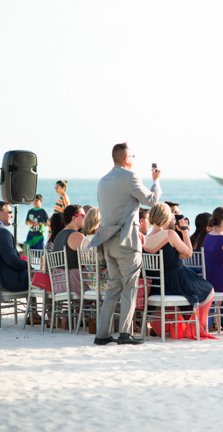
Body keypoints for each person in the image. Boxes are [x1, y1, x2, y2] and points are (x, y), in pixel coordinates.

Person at [88, 142, 162, 346]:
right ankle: (124, 333)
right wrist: (156, 181)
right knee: (130, 288)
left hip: (107, 241)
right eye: (132, 156)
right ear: (126, 158)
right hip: (127, 241)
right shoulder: (131, 177)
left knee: (114, 288)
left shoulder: (102, 181)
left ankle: (102, 334)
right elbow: (151, 200)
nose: (134, 159)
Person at [143, 203, 216, 340]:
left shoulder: (144, 239)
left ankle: (176, 328)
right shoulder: (170, 234)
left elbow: (170, 255)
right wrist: (184, 232)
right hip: (176, 281)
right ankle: (195, 329)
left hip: (157, 286)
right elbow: (188, 253)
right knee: (208, 289)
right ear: (166, 218)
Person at [50, 204, 86, 297]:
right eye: (83, 216)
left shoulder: (59, 234)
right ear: (74, 218)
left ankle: (81, 309)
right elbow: (92, 257)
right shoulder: (77, 235)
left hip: (58, 282)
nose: (85, 218)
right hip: (74, 282)